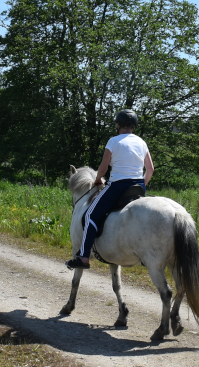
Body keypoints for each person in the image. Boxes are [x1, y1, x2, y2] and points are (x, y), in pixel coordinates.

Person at [66, 109, 154, 270]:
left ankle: (84, 257)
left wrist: (98, 179)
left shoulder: (113, 141)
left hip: (117, 186)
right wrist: (142, 185)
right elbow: (150, 169)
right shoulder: (142, 142)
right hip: (137, 187)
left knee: (90, 215)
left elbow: (103, 167)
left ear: (118, 125)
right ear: (133, 126)